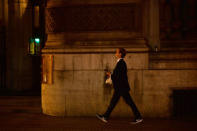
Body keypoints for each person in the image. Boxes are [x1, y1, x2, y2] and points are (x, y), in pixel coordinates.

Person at [96, 48, 143, 124]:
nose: (116, 53)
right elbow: (119, 75)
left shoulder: (121, 63)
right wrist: (112, 75)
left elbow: (118, 76)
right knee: (115, 102)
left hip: (122, 88)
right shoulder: (121, 63)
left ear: (120, 54)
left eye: (117, 52)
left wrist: (110, 75)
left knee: (128, 102)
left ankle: (138, 117)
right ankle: (105, 116)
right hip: (120, 87)